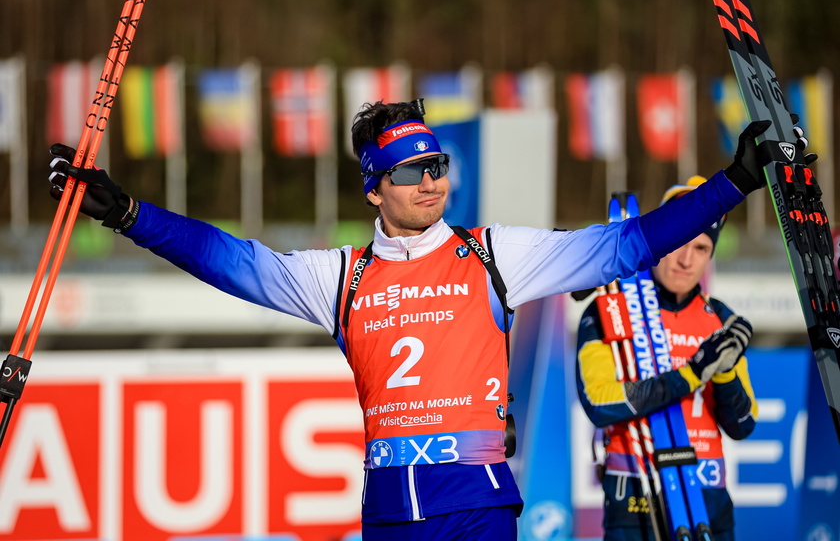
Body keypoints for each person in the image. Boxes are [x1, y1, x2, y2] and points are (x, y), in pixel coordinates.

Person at [48, 99, 773, 540]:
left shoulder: (495, 254)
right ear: (374, 189)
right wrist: (131, 216)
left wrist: (735, 181)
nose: (430, 182)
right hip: (392, 509)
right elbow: (229, 259)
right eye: (409, 171)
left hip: (480, 504)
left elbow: (628, 244)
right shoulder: (340, 276)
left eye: (437, 165)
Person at [575, 176, 759, 541]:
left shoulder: (720, 319)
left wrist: (721, 373)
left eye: (702, 248)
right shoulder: (608, 310)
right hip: (635, 502)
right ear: (660, 240)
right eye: (679, 242)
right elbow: (599, 402)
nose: (687, 259)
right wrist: (691, 374)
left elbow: (743, 424)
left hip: (708, 500)